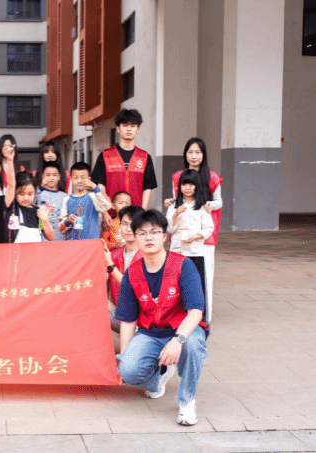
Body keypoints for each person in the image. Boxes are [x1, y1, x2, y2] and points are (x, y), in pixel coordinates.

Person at [115, 210, 208, 426]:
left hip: (184, 329)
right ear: (135, 237)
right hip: (151, 332)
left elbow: (196, 312)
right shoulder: (132, 273)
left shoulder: (183, 265)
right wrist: (124, 359)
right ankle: (158, 378)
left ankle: (187, 401)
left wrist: (178, 340)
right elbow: (127, 320)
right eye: (142, 233)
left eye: (154, 232)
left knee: (192, 345)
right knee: (128, 370)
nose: (148, 237)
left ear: (164, 236)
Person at [164, 137, 222, 324]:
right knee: (178, 276)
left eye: (198, 152)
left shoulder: (212, 177)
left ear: (203, 154)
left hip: (203, 235)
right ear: (185, 154)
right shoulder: (177, 176)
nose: (194, 156)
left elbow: (219, 201)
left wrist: (210, 205)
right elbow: (177, 200)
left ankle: (204, 316)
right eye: (190, 152)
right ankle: (179, 313)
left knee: (204, 275)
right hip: (181, 236)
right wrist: (171, 203)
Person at [91, 109, 157, 209]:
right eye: (125, 126)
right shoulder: (105, 156)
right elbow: (101, 187)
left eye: (133, 126)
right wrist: (105, 213)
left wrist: (142, 213)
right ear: (118, 129)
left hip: (136, 213)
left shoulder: (144, 157)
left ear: (138, 129)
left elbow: (147, 188)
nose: (129, 129)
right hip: (112, 213)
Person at [165, 169, 214, 304]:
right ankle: (177, 312)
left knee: (196, 284)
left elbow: (209, 228)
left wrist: (195, 237)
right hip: (177, 251)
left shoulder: (201, 206)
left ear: (197, 186)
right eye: (184, 184)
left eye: (191, 185)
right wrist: (176, 214)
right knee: (175, 284)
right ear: (179, 186)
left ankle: (198, 311)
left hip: (195, 251)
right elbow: (169, 229)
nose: (187, 188)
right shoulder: (173, 205)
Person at [3, 144, 54, 243]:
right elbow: (10, 184)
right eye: (21, 194)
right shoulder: (12, 207)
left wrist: (45, 220)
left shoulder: (38, 212)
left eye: (30, 194)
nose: (26, 198)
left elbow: (50, 236)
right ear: (15, 193)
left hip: (35, 252)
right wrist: (9, 160)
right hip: (16, 252)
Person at [105, 205, 145, 332]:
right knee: (96, 302)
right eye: (125, 224)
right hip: (123, 316)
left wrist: (109, 264)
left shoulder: (149, 255)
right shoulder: (114, 255)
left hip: (146, 321)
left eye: (133, 224)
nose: (128, 229)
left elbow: (130, 288)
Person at [59, 162, 111, 240]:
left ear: (89, 179)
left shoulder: (93, 196)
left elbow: (107, 206)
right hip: (73, 243)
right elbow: (61, 229)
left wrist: (95, 187)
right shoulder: (66, 200)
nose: (79, 181)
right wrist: (67, 220)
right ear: (71, 179)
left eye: (83, 178)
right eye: (75, 178)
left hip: (91, 243)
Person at [36, 161, 67, 241]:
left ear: (59, 177)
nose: (51, 178)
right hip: (43, 239)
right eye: (48, 175)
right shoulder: (38, 194)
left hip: (61, 239)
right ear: (43, 176)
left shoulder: (64, 196)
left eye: (54, 175)